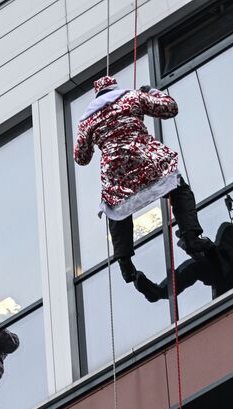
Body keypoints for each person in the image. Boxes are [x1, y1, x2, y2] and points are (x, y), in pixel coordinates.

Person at [73, 75, 214, 284]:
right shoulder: (132, 96)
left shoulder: (87, 121)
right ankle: (191, 236)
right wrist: (152, 92)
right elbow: (170, 108)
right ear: (115, 88)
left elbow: (81, 158)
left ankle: (125, 263)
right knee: (178, 188)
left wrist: (98, 139)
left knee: (117, 212)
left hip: (116, 172)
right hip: (146, 160)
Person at [131, 186, 233, 303]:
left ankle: (201, 246)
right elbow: (222, 260)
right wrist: (198, 250)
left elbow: (225, 260)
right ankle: (159, 292)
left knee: (228, 232)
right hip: (232, 275)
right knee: (196, 266)